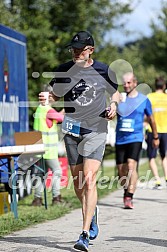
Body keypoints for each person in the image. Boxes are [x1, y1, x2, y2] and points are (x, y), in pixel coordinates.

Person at [39, 31, 120, 251]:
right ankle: (91, 213)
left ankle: (83, 233)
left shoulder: (104, 70)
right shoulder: (65, 69)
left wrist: (113, 106)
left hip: (96, 129)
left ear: (90, 50)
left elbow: (115, 93)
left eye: (80, 49)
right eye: (73, 49)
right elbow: (54, 95)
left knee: (90, 178)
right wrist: (47, 97)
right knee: (78, 182)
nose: (76, 52)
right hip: (71, 129)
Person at [115, 72, 159, 209]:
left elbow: (151, 119)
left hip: (136, 137)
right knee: (121, 170)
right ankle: (125, 191)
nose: (126, 85)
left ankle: (130, 196)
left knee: (131, 165)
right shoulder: (119, 98)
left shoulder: (143, 100)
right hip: (120, 138)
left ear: (135, 83)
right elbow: (109, 115)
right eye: (124, 83)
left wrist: (155, 136)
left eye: (129, 83)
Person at [31, 102, 64, 206]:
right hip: (49, 150)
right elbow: (61, 118)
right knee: (57, 172)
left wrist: (63, 111)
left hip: (39, 149)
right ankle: (56, 198)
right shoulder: (48, 110)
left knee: (41, 174)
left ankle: (37, 199)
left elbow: (56, 117)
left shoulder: (40, 109)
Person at [146, 76, 167, 189]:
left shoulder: (149, 97)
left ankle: (158, 180)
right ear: (164, 86)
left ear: (155, 86)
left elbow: (146, 115)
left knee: (151, 157)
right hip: (165, 130)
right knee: (164, 156)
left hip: (152, 131)